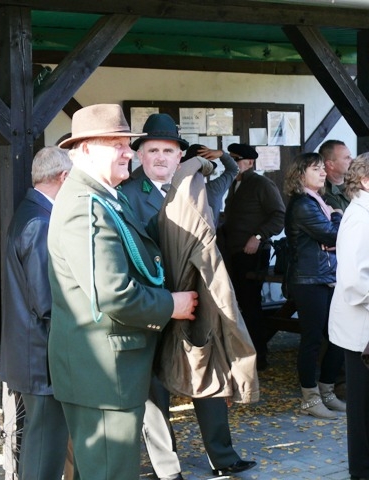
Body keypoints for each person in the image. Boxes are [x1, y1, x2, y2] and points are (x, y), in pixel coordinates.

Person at [47, 104, 198, 480]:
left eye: (126, 144)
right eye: (116, 144)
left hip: (109, 372)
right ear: (85, 150)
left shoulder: (103, 196)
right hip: (103, 375)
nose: (127, 152)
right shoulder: (85, 206)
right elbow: (113, 293)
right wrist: (171, 304)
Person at [122, 114, 256, 479]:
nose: (160, 157)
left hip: (197, 301)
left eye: (168, 151)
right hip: (155, 303)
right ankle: (168, 468)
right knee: (154, 390)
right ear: (140, 155)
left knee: (207, 372)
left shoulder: (196, 188)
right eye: (153, 150)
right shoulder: (126, 195)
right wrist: (163, 301)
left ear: (180, 156)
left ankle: (223, 457)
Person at [1, 146, 72, 480]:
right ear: (64, 177)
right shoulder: (40, 222)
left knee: (40, 441)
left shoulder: (30, 212)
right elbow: (46, 300)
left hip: (32, 351)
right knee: (46, 446)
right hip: (41, 354)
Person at [283, 152, 345, 419]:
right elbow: (334, 236)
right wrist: (338, 217)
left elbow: (333, 241)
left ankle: (327, 392)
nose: (323, 173)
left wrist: (334, 234)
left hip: (325, 277)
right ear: (300, 175)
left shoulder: (318, 201)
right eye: (316, 169)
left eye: (322, 168)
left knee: (337, 337)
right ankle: (310, 398)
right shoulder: (303, 204)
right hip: (309, 280)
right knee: (312, 339)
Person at [222, 143, 285, 371]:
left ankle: (259, 358)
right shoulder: (234, 184)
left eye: (236, 160)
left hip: (253, 253)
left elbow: (279, 216)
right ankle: (245, 354)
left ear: (249, 162)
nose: (232, 164)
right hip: (234, 252)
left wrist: (258, 236)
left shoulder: (262, 184)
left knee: (251, 306)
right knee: (239, 304)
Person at [329, 153, 369, 479]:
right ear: (366, 180)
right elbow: (355, 281)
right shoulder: (360, 218)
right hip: (361, 330)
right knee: (363, 409)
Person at [181, 144, 239, 228]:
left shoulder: (173, 188)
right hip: (209, 235)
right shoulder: (214, 189)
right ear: (207, 170)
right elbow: (233, 170)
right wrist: (221, 154)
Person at [319, 139, 352, 212]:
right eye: (347, 157)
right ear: (330, 165)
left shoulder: (357, 182)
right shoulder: (323, 192)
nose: (352, 160)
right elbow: (340, 217)